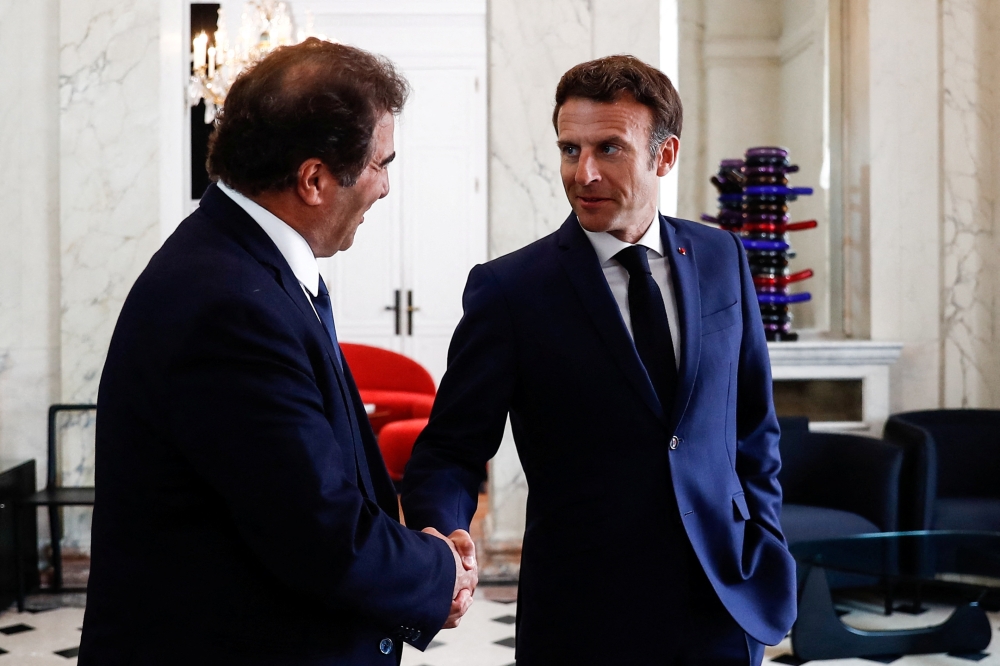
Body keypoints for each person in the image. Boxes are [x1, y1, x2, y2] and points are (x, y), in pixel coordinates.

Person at [79, 38, 477, 665]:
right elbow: (317, 529)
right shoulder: (229, 303)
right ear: (314, 179)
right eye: (381, 163)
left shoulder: (244, 265)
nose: (386, 188)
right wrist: (438, 572)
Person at [401, 55, 796, 665]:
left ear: (664, 156)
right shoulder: (512, 290)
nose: (582, 173)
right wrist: (441, 536)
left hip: (724, 598)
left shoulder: (722, 257)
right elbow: (450, 448)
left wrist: (763, 537)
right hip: (585, 613)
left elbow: (753, 423)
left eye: (609, 148)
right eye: (569, 149)